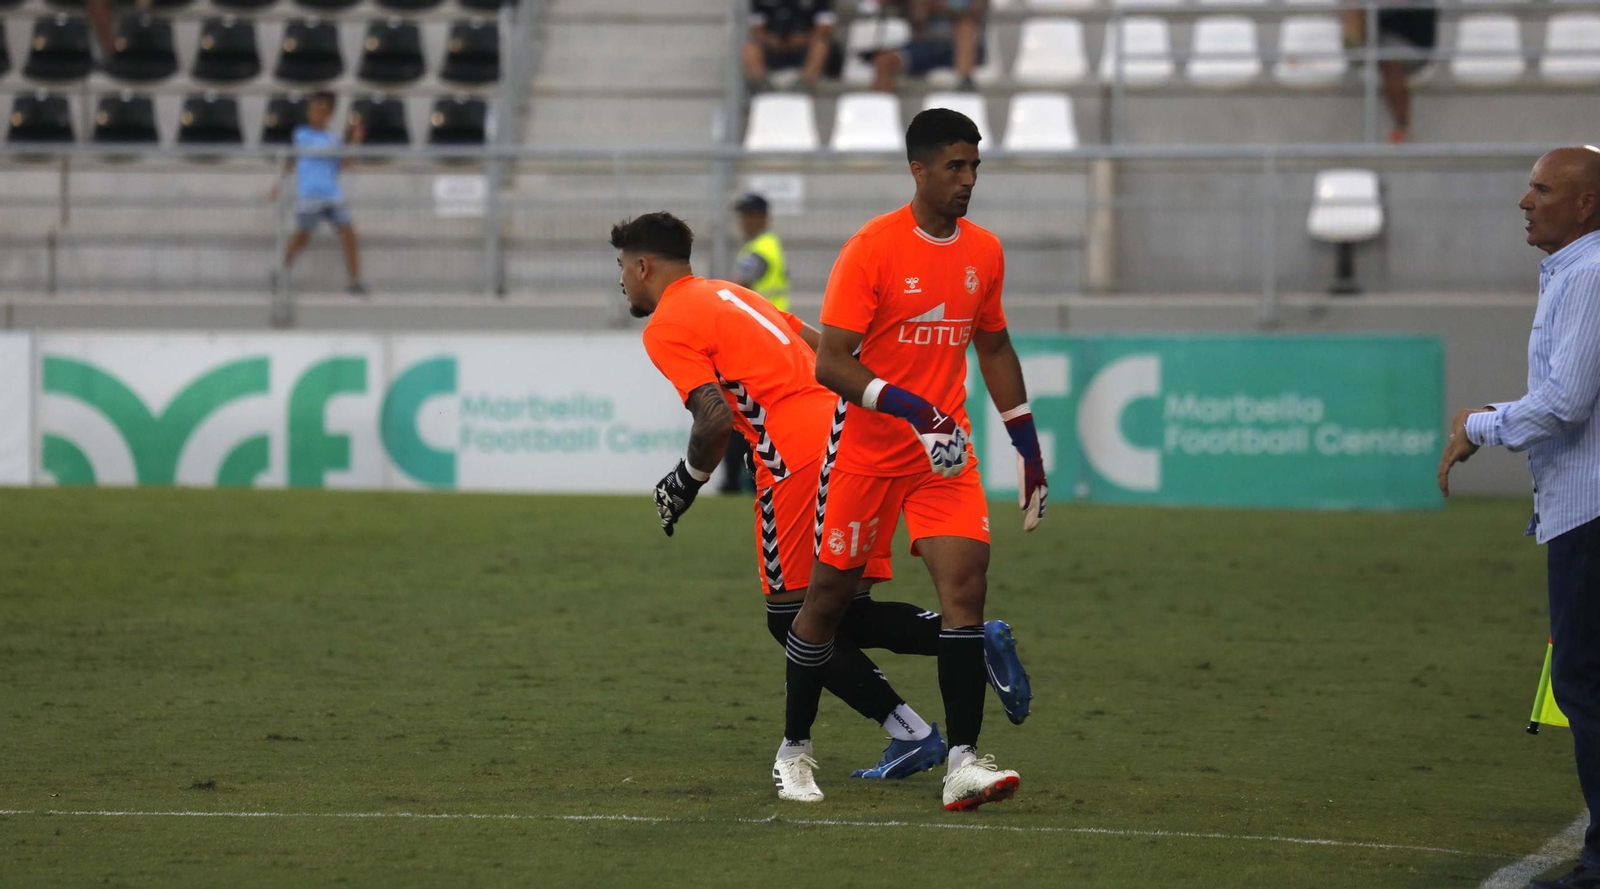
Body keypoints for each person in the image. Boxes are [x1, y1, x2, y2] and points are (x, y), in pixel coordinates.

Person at [615, 211, 971, 782]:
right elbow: (822, 343)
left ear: (642, 265)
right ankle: (961, 653)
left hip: (796, 457)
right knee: (842, 611)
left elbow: (713, 420)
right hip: (848, 438)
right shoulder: (733, 293)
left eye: (621, 268)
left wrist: (684, 483)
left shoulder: (665, 325)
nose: (622, 281)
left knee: (792, 621)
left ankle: (895, 730)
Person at [773, 108, 1043, 810]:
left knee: (966, 589)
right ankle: (795, 748)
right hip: (866, 454)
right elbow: (832, 363)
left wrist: (1028, 446)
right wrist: (912, 410)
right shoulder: (872, 249)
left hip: (943, 457)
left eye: (975, 167)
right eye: (955, 166)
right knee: (827, 603)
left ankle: (961, 761)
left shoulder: (984, 251)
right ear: (918, 169)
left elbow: (994, 347)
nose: (968, 180)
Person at [1438, 146, 1600, 889]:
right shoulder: (1574, 272)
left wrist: (1480, 424)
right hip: (1578, 507)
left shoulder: (1592, 274)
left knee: (1585, 682)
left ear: (1587, 204)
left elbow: (1566, 404)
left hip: (1592, 511)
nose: (1523, 200)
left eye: (1541, 188)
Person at [720, 193, 794, 495]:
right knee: (757, 415)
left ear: (762, 217)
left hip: (757, 342)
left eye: (747, 215)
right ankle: (751, 480)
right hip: (770, 339)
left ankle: (735, 482)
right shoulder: (767, 247)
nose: (742, 221)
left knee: (741, 412)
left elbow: (737, 288)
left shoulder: (760, 250)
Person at [271, 91, 368, 296]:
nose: (318, 114)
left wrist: (355, 142)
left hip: (332, 195)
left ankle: (355, 280)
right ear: (309, 111)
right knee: (302, 236)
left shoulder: (334, 139)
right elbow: (290, 163)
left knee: (349, 233)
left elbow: (344, 165)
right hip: (309, 195)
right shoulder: (301, 134)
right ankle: (280, 272)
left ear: (329, 114)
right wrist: (278, 185)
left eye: (323, 111)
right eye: (315, 109)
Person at [1342, 2, 1437, 144]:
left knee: (1388, 58)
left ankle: (1402, 126)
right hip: (1380, 36)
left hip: (1413, 43)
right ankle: (1355, 46)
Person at [872, 0, 987, 94]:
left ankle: (965, 83)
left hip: (961, 47)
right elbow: (917, 23)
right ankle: (881, 115)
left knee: (966, 25)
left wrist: (942, 8)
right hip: (925, 46)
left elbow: (978, 11)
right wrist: (919, 9)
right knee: (884, 61)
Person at [744, 0, 840, 93]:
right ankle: (762, 90)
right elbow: (756, 29)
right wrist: (772, 40)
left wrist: (803, 39)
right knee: (750, 48)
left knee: (820, 46)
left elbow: (825, 28)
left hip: (806, 48)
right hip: (773, 49)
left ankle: (805, 87)